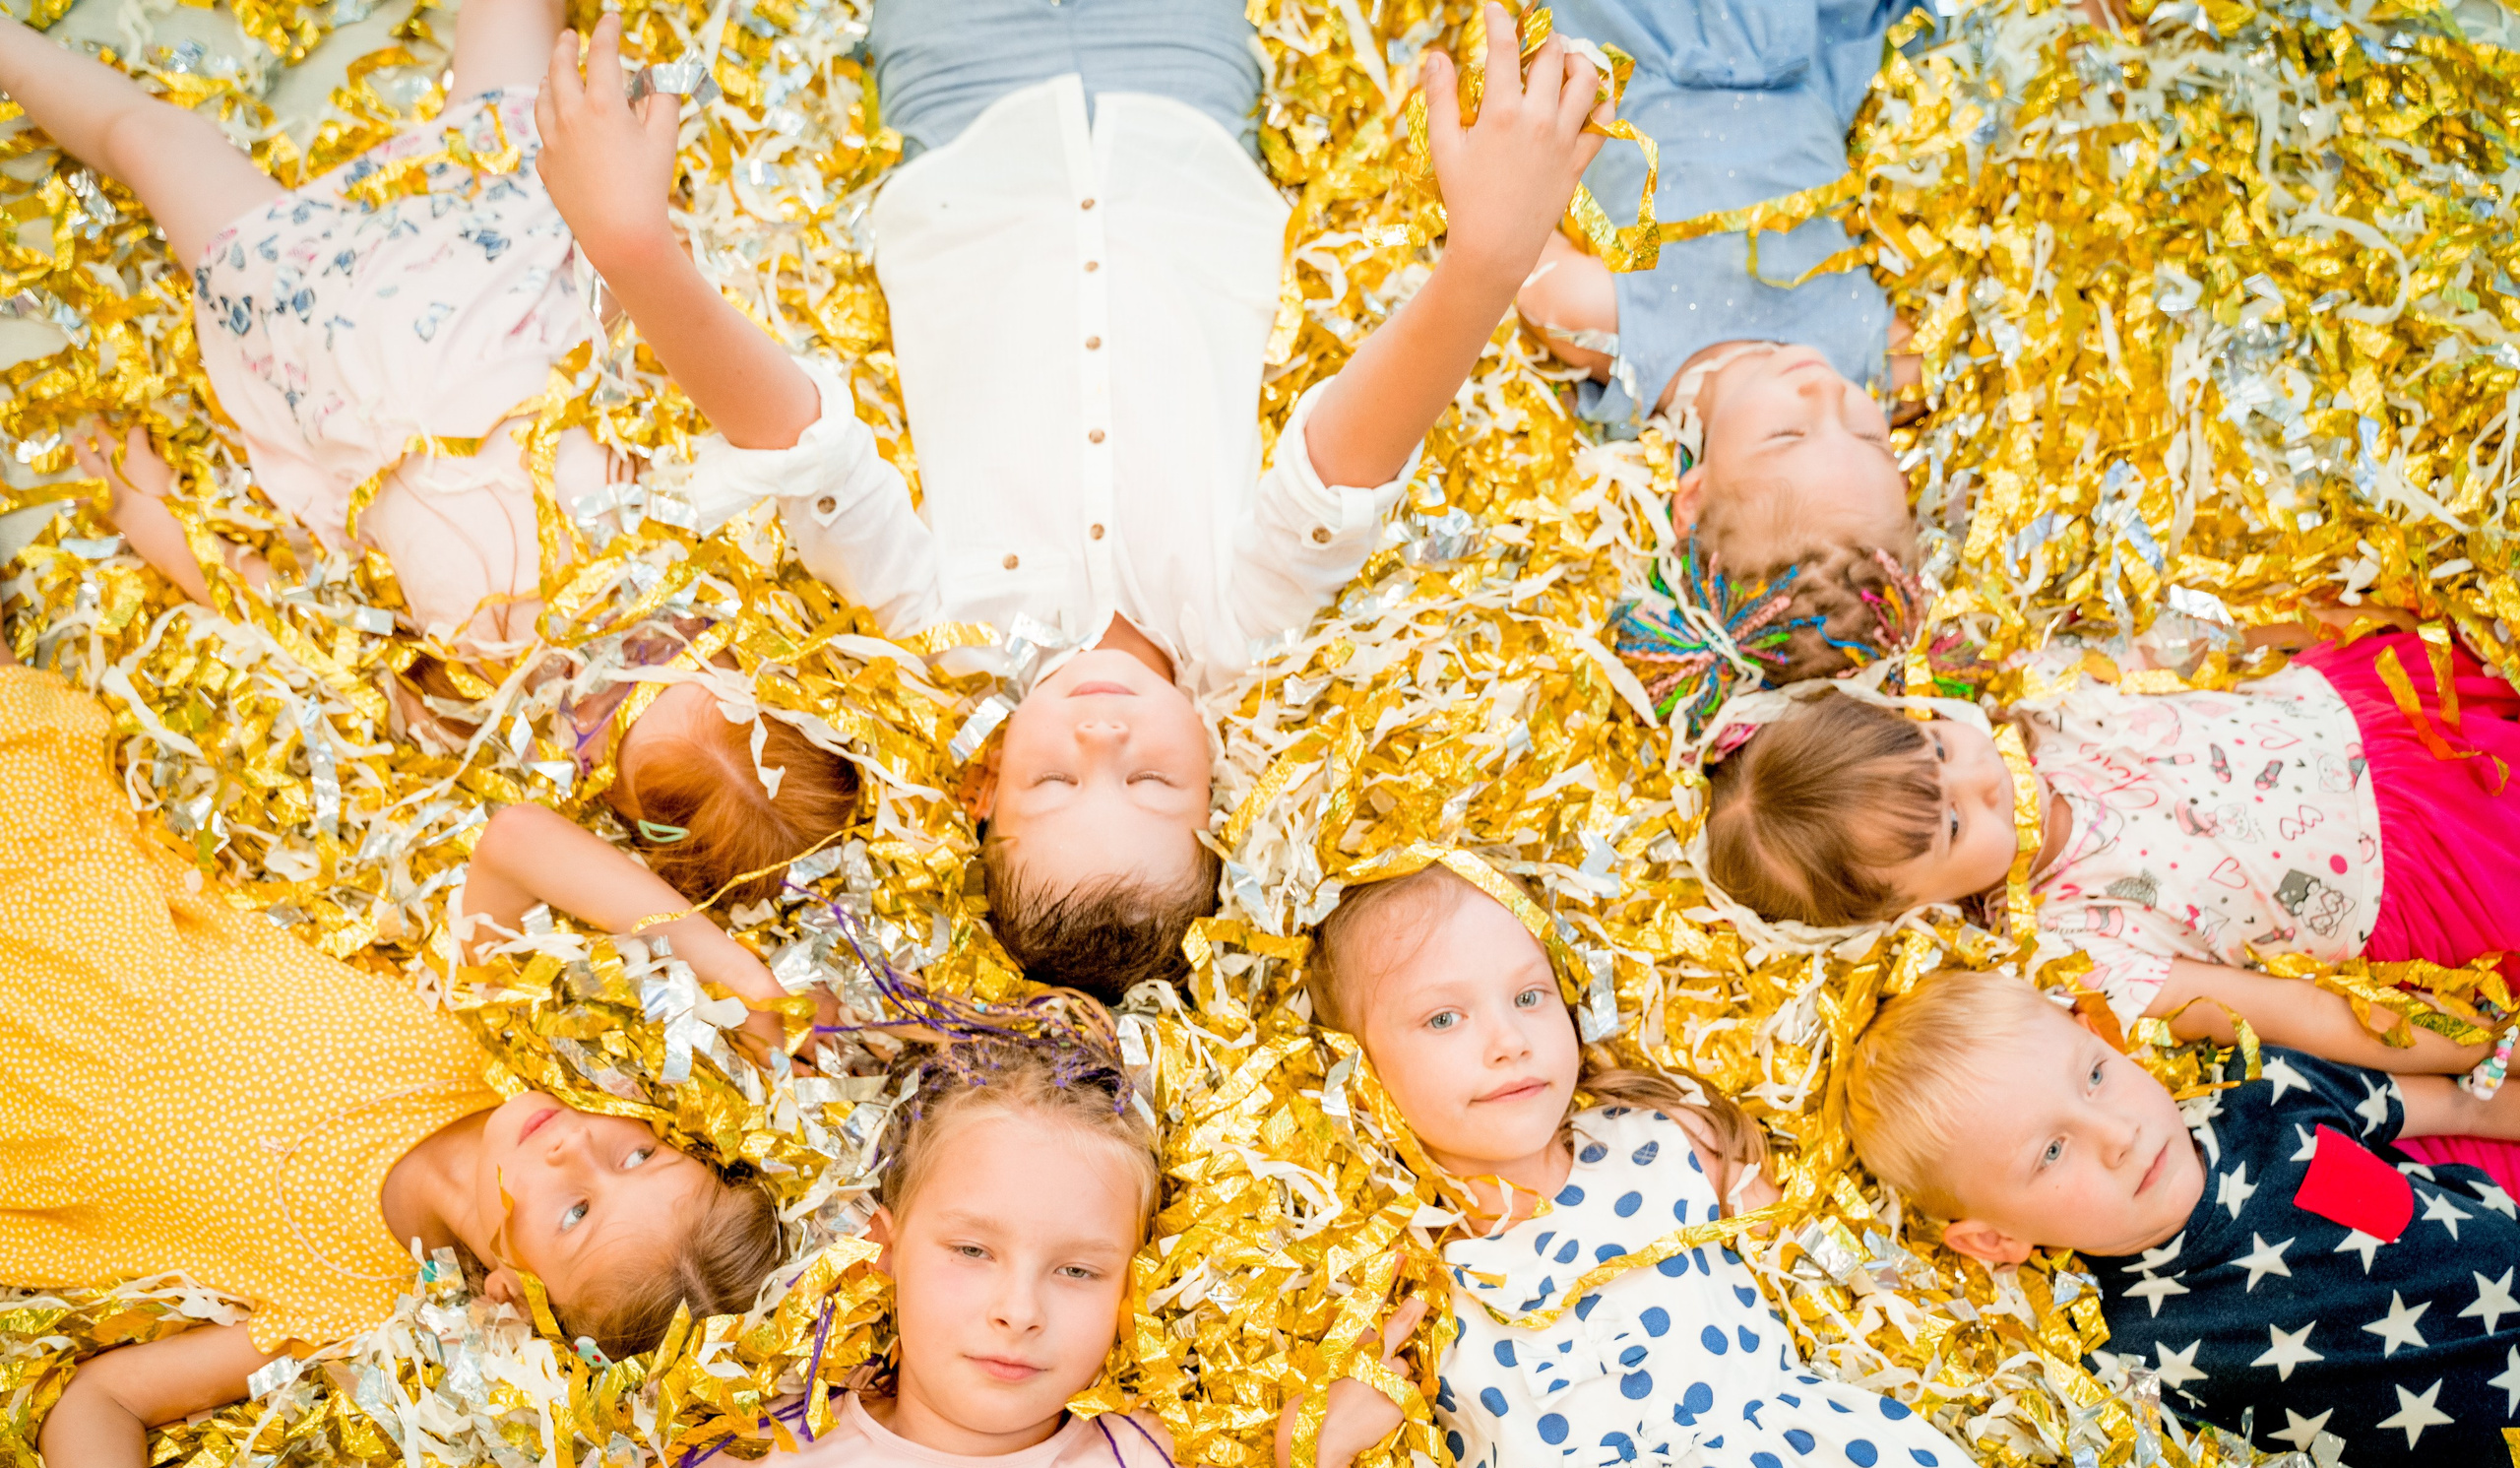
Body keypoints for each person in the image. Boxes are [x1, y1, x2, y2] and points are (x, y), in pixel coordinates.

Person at [532, 0, 1611, 1001]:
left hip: (961, 110)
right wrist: (1480, 265)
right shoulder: (1240, 629)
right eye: (1148, 784)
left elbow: (808, 449)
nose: (1102, 735)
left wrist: (635, 252)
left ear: (985, 790)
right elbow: (1340, 473)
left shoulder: (939, 629)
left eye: (1056, 783)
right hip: (1180, 104)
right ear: (1218, 797)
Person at [0, 654, 786, 1468]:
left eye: (575, 1214)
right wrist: (731, 965)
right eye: (636, 1160)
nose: (576, 1151)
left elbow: (100, 1400)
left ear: (511, 1293)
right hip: (67, 887)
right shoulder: (471, 1045)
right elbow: (512, 842)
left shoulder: (348, 1305)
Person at [1, 0, 859, 907]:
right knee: (513, 46)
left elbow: (307, 627)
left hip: (324, 331)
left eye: (606, 716)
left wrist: (153, 517)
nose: (606, 665)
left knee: (151, 140)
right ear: (733, 648)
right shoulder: (706, 542)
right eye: (665, 651)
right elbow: (677, 376)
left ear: (607, 791)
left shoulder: (477, 709)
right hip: (502, 263)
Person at [1300, 860, 2199, 1468]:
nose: (1508, 1041)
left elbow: (1840, 1261)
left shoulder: (1665, 1140)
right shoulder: (1405, 1276)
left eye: (1530, 996)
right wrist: (1328, 1464)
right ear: (1357, 1067)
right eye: (1444, 1017)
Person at [1700, 631, 2520, 1188]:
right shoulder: (2079, 942)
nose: (1983, 780)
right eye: (1953, 826)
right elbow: (2295, 1011)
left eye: (1938, 747)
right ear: (1912, 910)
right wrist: (2471, 1045)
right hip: (2425, 873)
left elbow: (2211, 662)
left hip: (2398, 731)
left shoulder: (2048, 703)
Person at [610, 1030, 1292, 1468]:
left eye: (1078, 1270)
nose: (1019, 1311)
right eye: (971, 1250)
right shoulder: (755, 1459)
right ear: (884, 1250)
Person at [1523, 0, 2117, 683]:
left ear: (1693, 497)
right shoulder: (1881, 367)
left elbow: (1520, 255)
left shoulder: (1630, 344)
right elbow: (2003, 343)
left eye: (1787, 436)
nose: (1825, 391)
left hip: (1648, 48)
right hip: (1801, 61)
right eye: (1869, 438)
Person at [1842, 967, 2520, 1468]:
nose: (2117, 1135)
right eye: (2050, 1152)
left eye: (2095, 1075)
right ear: (1995, 1240)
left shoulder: (2266, 1094)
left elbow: (2468, 1105)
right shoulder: (2121, 1360)